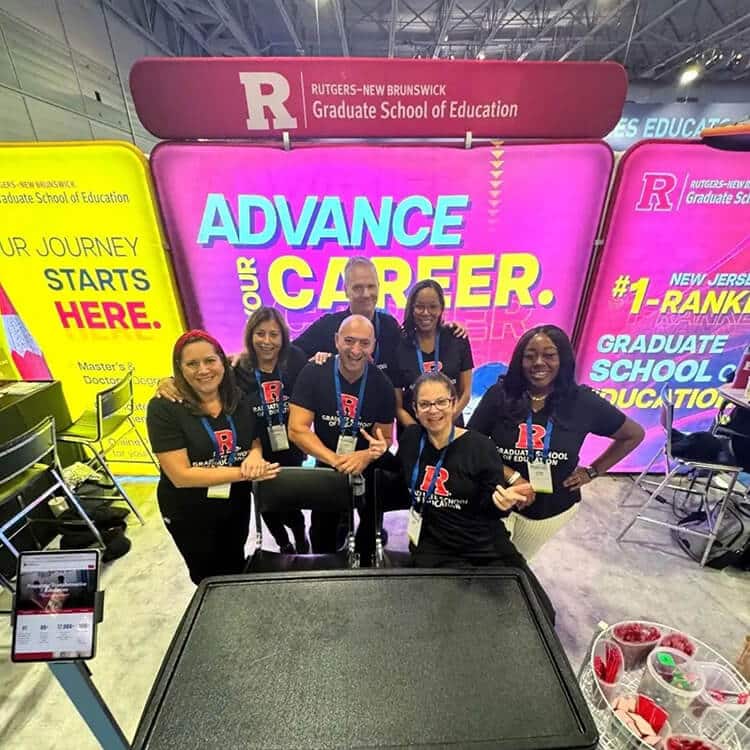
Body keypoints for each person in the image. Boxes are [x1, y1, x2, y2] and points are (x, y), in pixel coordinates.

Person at [468, 324, 644, 561]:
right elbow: (470, 445)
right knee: (485, 558)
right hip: (499, 498)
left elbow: (633, 434)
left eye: (549, 355)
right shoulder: (500, 395)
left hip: (551, 508)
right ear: (520, 361)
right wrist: (513, 476)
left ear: (563, 360)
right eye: (530, 356)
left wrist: (593, 471)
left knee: (517, 561)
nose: (539, 362)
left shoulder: (583, 402)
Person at [395, 371, 555, 624]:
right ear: (415, 409)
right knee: (443, 622)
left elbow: (490, 506)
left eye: (441, 402)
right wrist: (373, 456)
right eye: (424, 404)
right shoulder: (412, 439)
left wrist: (501, 504)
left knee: (539, 615)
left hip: (483, 544)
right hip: (434, 543)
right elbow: (396, 478)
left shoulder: (479, 446)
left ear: (454, 402)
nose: (433, 410)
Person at [157, 309, 310, 554]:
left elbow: (317, 377)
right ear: (250, 335)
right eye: (260, 333)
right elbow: (200, 376)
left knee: (291, 503)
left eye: (274, 334)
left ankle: (301, 537)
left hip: (290, 447)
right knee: (265, 505)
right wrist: (167, 382)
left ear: (283, 336)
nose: (267, 341)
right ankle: (284, 544)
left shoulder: (295, 359)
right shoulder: (237, 367)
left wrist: (323, 356)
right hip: (250, 451)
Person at [147, 330, 280, 584]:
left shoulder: (237, 397)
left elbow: (252, 438)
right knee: (207, 576)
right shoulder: (164, 407)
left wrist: (255, 455)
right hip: (190, 510)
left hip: (234, 501)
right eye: (192, 364)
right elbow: (180, 476)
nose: (203, 370)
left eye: (210, 360)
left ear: (222, 361)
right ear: (179, 368)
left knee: (235, 563)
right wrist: (245, 473)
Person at [288, 314, 395, 562]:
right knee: (322, 537)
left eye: (364, 343)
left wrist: (367, 454)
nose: (356, 350)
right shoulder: (314, 372)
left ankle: (366, 561)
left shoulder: (382, 384)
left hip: (367, 465)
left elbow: (386, 438)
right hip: (327, 463)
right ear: (336, 340)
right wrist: (334, 460)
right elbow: (297, 429)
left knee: (369, 536)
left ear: (373, 345)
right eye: (349, 340)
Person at [293, 256, 467, 377]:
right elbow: (290, 354)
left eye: (371, 286)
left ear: (379, 286)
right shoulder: (327, 326)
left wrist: (444, 328)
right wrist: (314, 360)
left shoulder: (389, 325)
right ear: (346, 290)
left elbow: (415, 342)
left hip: (380, 413)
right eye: (358, 287)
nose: (366, 294)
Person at [393, 279, 474, 430]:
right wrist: (419, 432)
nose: (426, 313)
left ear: (441, 308)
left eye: (432, 307)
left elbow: (465, 393)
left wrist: (443, 424)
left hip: (451, 428)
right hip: (413, 431)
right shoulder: (399, 344)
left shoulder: (457, 338)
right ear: (411, 308)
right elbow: (397, 406)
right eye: (420, 307)